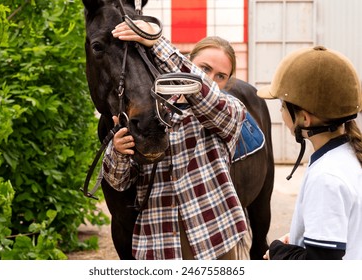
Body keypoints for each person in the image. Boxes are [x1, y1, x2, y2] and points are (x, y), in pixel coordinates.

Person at [102, 20, 248, 260]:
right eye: (205, 69)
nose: (211, 79)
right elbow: (119, 182)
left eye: (220, 76)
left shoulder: (231, 111)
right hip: (160, 243)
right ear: (191, 62)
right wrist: (118, 151)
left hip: (215, 242)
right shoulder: (150, 114)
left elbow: (207, 96)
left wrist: (157, 43)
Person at [258, 46, 362, 260]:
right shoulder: (349, 154)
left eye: (282, 105)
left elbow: (320, 264)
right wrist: (301, 239)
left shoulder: (326, 177)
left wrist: (279, 252)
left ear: (305, 119)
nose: (280, 111)